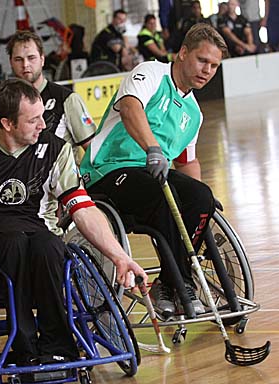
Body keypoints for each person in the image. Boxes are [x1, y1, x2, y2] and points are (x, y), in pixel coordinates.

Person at [0, 78, 147, 366]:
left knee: (48, 244)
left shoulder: (56, 150)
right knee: (15, 242)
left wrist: (119, 257)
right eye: (33, 120)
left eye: (43, 117)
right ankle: (25, 348)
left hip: (42, 244)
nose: (43, 125)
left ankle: (58, 346)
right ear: (7, 124)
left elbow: (84, 209)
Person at [79, 24, 228, 318]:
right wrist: (152, 148)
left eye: (214, 66)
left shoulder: (194, 113)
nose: (207, 70)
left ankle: (168, 284)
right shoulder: (151, 73)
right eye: (202, 60)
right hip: (108, 172)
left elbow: (187, 162)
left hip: (151, 177)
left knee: (201, 196)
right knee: (159, 192)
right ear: (183, 53)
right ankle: (182, 283)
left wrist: (200, 206)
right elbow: (130, 108)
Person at [6, 30, 95, 151]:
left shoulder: (67, 99)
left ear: (42, 59)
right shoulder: (4, 102)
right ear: (11, 62)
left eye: (31, 58)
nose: (25, 64)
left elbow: (93, 151)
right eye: (18, 59)